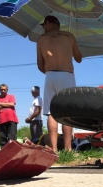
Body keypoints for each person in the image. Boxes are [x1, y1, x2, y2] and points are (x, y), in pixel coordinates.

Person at [37, 15, 82, 152]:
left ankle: (54, 148)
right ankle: (68, 149)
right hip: (66, 75)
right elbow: (79, 58)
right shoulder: (69, 36)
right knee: (66, 111)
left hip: (50, 75)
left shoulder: (41, 39)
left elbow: (40, 65)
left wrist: (51, 72)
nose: (43, 28)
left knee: (51, 113)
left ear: (49, 23)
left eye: (44, 25)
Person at [0, 84, 19, 148]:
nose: (3, 91)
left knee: (11, 137)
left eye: (4, 89)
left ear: (7, 90)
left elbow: (12, 104)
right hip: (1, 120)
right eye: (1, 89)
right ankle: (3, 152)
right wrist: (7, 104)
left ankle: (12, 151)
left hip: (11, 119)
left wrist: (0, 104)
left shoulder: (11, 96)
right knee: (2, 138)